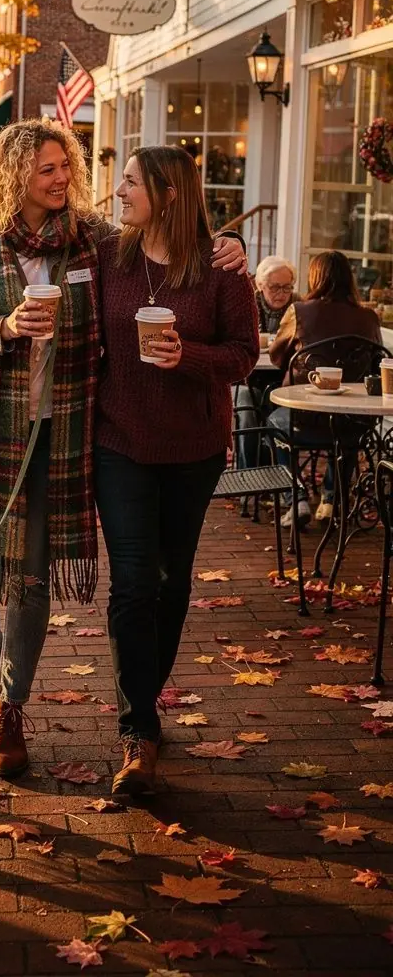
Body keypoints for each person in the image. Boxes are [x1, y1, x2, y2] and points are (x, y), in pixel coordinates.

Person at [0, 121, 247, 782]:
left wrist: (233, 247)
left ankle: (11, 713)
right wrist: (4, 326)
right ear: (13, 173)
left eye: (63, 166)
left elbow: (169, 245)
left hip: (68, 434)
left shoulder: (92, 243)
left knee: (34, 580)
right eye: (46, 169)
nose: (61, 179)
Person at [95, 146, 258, 796]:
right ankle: (138, 730)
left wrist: (185, 356)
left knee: (170, 583)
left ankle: (145, 702)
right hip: (119, 442)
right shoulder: (109, 254)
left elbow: (245, 356)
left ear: (167, 194)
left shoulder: (221, 270)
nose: (119, 191)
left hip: (191, 449)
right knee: (134, 582)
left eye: (131, 182)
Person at [267, 251, 382, 526]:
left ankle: (295, 498)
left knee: (273, 423)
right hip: (353, 420)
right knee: (346, 429)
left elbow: (277, 356)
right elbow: (378, 363)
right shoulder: (369, 317)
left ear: (315, 277)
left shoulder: (300, 312)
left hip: (305, 418)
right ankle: (331, 498)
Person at [233, 256, 297, 468]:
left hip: (282, 379)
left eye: (286, 287)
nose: (281, 294)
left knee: (279, 407)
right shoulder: (245, 303)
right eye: (274, 287)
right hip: (246, 379)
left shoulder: (298, 307)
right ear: (260, 285)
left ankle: (280, 471)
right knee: (246, 407)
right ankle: (248, 473)